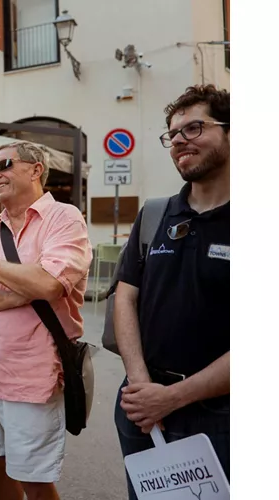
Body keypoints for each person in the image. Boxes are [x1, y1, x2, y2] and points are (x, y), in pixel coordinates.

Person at [0, 141, 92, 500]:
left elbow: (48, 284)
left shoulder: (64, 218)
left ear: (36, 170)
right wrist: (19, 293)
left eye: (5, 164)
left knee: (33, 477)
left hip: (32, 372)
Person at [113, 85, 230, 498]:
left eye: (194, 127)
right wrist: (142, 387)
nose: (179, 139)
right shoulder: (156, 214)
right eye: (173, 133)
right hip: (143, 409)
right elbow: (126, 297)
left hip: (222, 416)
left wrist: (173, 397)